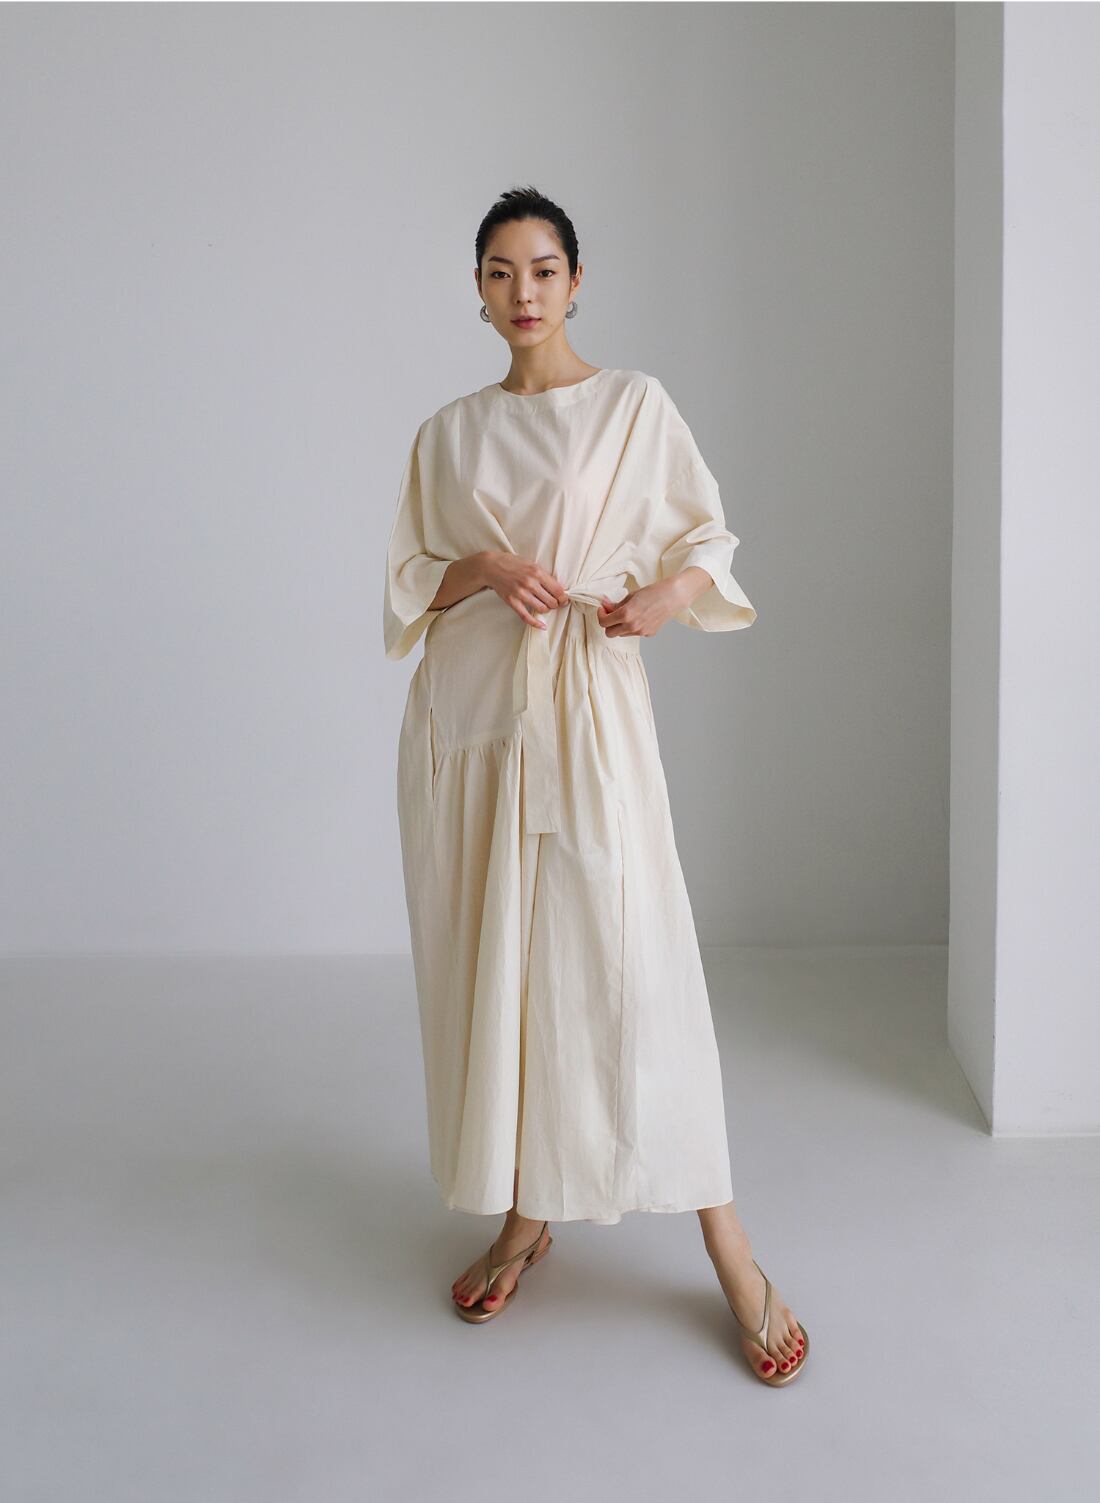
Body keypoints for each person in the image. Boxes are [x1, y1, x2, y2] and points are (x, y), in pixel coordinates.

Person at [383, 186, 807, 1386]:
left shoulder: (631, 406)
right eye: (499, 272)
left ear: (576, 282)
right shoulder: (448, 433)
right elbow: (410, 581)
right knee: (505, 968)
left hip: (585, 712)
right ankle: (526, 1213)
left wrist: (667, 595)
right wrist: (482, 564)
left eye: (542, 269)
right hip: (472, 724)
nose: (522, 292)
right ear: (475, 290)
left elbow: (705, 539)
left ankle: (727, 1247)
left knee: (632, 963)